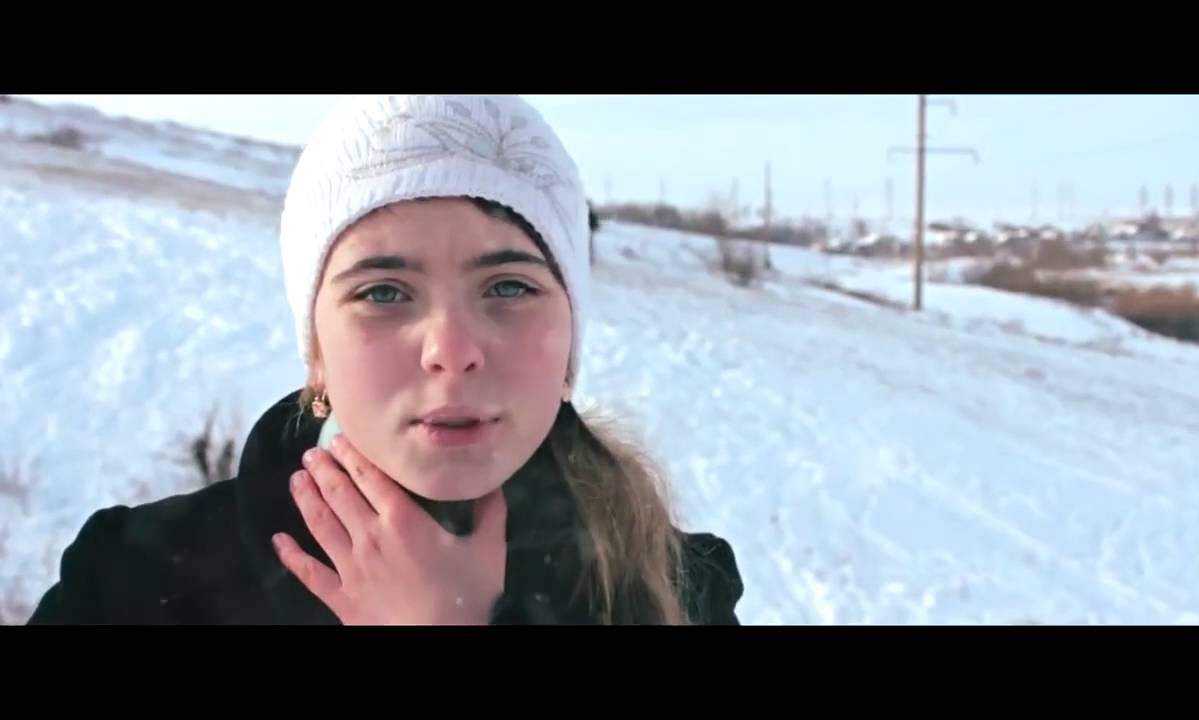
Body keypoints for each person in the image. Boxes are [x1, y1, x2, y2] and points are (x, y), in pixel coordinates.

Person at [25, 95, 744, 625]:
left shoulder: (682, 590)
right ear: (316, 351)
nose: (452, 352)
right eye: (383, 293)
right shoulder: (131, 585)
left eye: (509, 287)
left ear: (570, 343)